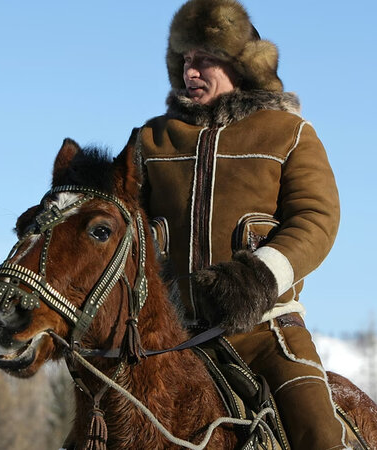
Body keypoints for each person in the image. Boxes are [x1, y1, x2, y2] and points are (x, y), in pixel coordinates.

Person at [131, 0, 348, 448]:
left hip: (264, 331)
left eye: (204, 59)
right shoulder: (150, 139)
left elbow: (317, 218)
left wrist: (258, 277)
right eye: (185, 59)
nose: (191, 71)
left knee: (318, 433)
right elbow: (115, 218)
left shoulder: (289, 132)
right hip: (168, 338)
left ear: (241, 65)